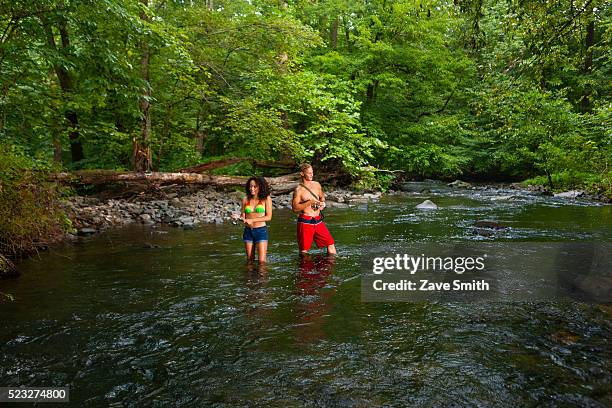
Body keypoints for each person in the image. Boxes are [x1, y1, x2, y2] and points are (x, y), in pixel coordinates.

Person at [291, 163, 336, 255]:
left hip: (318, 220)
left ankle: (331, 267)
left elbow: (322, 198)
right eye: (309, 173)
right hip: (305, 221)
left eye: (312, 173)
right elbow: (295, 209)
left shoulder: (317, 185)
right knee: (304, 250)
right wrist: (309, 202)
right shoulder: (298, 190)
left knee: (330, 244)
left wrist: (323, 204)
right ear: (302, 174)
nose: (311, 175)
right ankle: (304, 269)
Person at [233, 177, 273, 263]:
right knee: (250, 260)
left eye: (255, 186)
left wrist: (252, 220)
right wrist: (237, 217)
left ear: (260, 187)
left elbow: (269, 217)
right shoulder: (245, 199)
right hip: (248, 231)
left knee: (261, 261)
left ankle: (262, 276)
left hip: (261, 231)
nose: (252, 188)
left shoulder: (266, 198)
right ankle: (250, 276)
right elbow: (243, 216)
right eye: (250, 186)